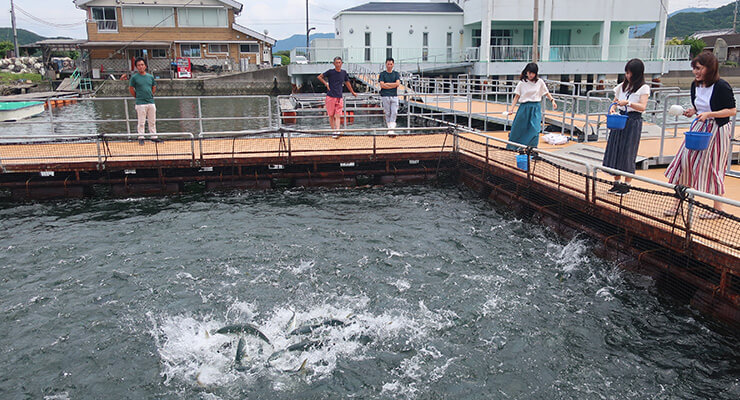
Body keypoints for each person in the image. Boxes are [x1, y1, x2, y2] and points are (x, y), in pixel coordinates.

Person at [664, 51, 736, 217]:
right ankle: (677, 205)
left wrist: (709, 115)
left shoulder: (721, 86)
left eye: (698, 68)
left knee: (714, 167)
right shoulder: (695, 85)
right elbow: (701, 106)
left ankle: (718, 209)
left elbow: (732, 110)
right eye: (694, 69)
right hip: (699, 126)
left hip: (717, 130)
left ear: (709, 68)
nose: (695, 72)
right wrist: (693, 111)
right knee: (684, 163)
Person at [603, 58, 650, 196]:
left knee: (628, 151)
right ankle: (616, 182)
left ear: (637, 74)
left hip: (633, 121)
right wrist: (613, 108)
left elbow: (642, 107)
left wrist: (628, 103)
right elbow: (616, 101)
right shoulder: (622, 86)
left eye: (630, 73)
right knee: (615, 148)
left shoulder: (643, 88)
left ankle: (627, 184)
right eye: (626, 73)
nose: (627, 76)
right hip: (620, 119)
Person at [506, 63, 557, 150]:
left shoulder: (539, 82)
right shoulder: (522, 83)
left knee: (535, 128)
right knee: (519, 127)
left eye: (533, 73)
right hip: (524, 107)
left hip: (535, 107)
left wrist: (552, 100)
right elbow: (516, 97)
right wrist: (511, 109)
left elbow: (546, 92)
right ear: (526, 72)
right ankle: (515, 146)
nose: (531, 75)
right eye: (529, 73)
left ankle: (532, 148)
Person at [317, 56, 357, 138]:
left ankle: (337, 130)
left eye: (339, 63)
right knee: (331, 115)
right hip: (330, 96)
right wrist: (326, 84)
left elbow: (347, 82)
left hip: (339, 96)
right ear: (334, 63)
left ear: (341, 63)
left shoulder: (344, 73)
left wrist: (352, 92)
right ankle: (333, 131)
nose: (338, 64)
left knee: (338, 115)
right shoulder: (330, 72)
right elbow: (320, 76)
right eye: (336, 63)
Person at [129, 57, 158, 144]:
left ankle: (154, 136)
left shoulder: (150, 77)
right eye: (138, 65)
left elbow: (154, 87)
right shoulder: (134, 78)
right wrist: (137, 96)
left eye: (142, 65)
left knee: (152, 121)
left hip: (150, 102)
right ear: (136, 67)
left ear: (145, 66)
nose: (141, 67)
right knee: (141, 122)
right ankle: (141, 137)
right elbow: (131, 89)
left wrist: (150, 95)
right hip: (140, 103)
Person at [379, 57, 401, 136]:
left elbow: (397, 84)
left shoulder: (396, 74)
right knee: (387, 112)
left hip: (394, 95)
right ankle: (390, 129)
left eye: (391, 64)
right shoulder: (382, 74)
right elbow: (382, 85)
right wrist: (392, 85)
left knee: (394, 112)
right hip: (385, 95)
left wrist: (387, 84)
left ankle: (391, 129)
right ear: (386, 64)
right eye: (388, 64)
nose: (389, 65)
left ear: (393, 64)